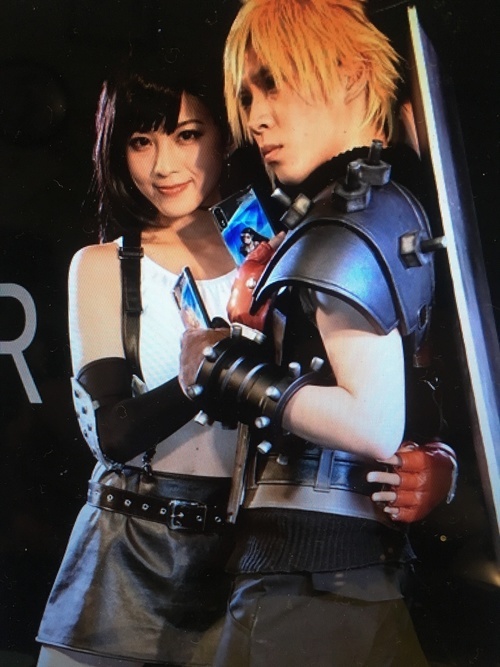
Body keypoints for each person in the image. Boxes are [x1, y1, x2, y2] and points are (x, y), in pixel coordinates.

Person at [179, 0, 456, 665]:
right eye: (249, 96)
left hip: (314, 570)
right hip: (325, 565)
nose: (256, 117)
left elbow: (373, 422)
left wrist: (222, 367)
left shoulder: (350, 216)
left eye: (274, 83)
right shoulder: (362, 208)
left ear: (351, 72)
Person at [35, 52, 239, 667]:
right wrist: (191, 383)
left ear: (225, 135)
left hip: (249, 557)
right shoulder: (102, 265)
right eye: (141, 142)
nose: (164, 165)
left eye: (186, 135)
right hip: (126, 548)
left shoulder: (274, 254)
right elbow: (111, 434)